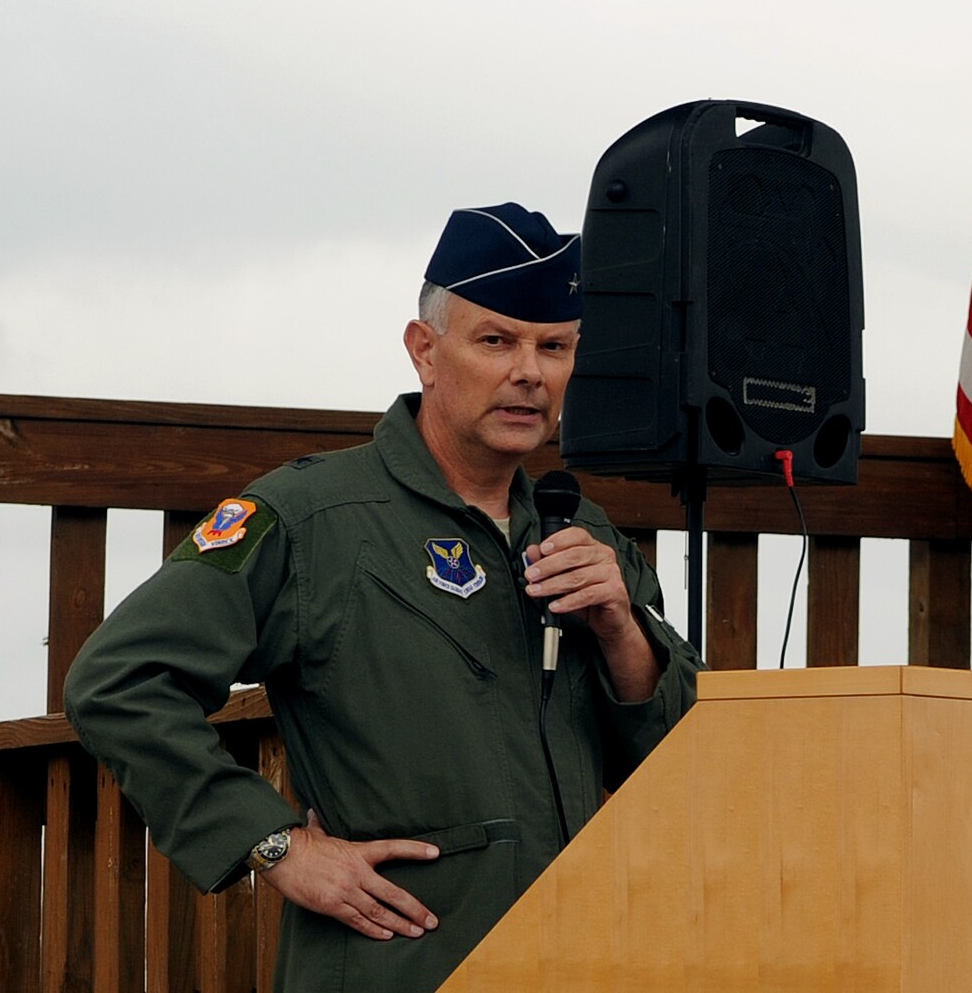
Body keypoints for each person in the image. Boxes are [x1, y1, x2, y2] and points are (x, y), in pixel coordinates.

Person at [65, 203, 702, 992]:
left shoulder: (587, 536)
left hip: (576, 960)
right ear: (425, 351)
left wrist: (619, 629)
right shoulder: (313, 520)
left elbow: (683, 764)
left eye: (555, 347)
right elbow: (117, 683)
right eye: (496, 340)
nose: (529, 373)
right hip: (397, 965)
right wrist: (276, 847)